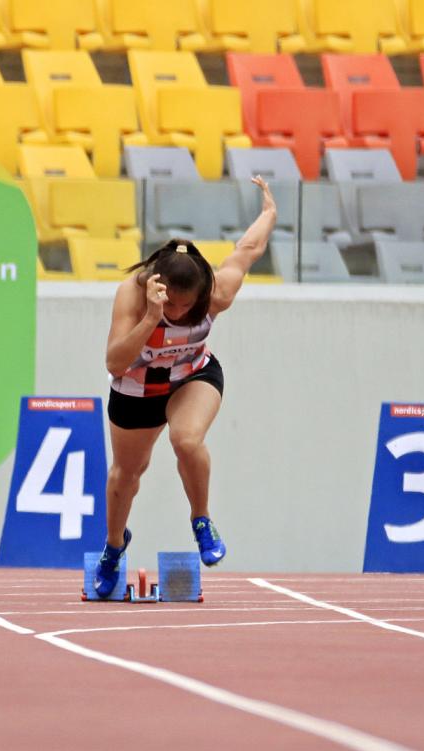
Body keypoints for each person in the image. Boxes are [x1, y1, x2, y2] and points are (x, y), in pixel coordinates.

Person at [94, 176, 278, 595]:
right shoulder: (133, 294)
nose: (177, 312)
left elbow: (246, 251)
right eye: (170, 302)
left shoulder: (216, 293)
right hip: (137, 388)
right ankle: (114, 546)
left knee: (187, 440)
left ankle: (201, 519)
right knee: (127, 475)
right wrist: (150, 318)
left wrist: (268, 214)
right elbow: (114, 360)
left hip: (192, 375)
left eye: (185, 305)